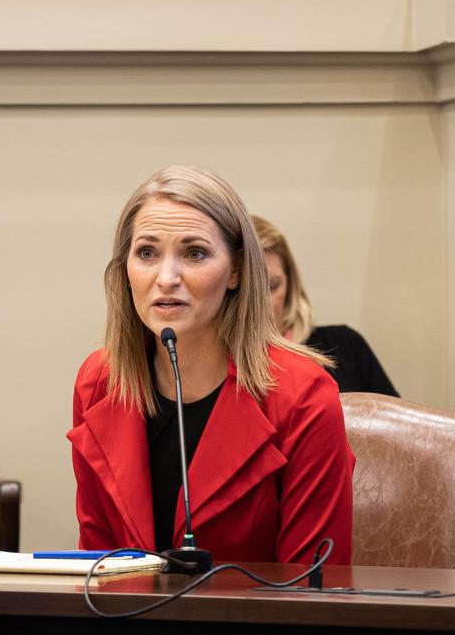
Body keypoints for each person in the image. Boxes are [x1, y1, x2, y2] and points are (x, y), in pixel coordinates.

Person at [68, 166, 354, 564]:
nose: (166, 278)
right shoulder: (100, 383)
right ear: (125, 269)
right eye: (147, 252)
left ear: (236, 270)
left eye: (195, 253)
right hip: (124, 623)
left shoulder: (303, 395)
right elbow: (98, 569)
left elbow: (312, 586)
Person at [252, 215, 399, 396]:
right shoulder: (215, 371)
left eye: (272, 286)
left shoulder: (344, 346)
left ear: (290, 285)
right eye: (249, 290)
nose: (262, 303)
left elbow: (396, 421)